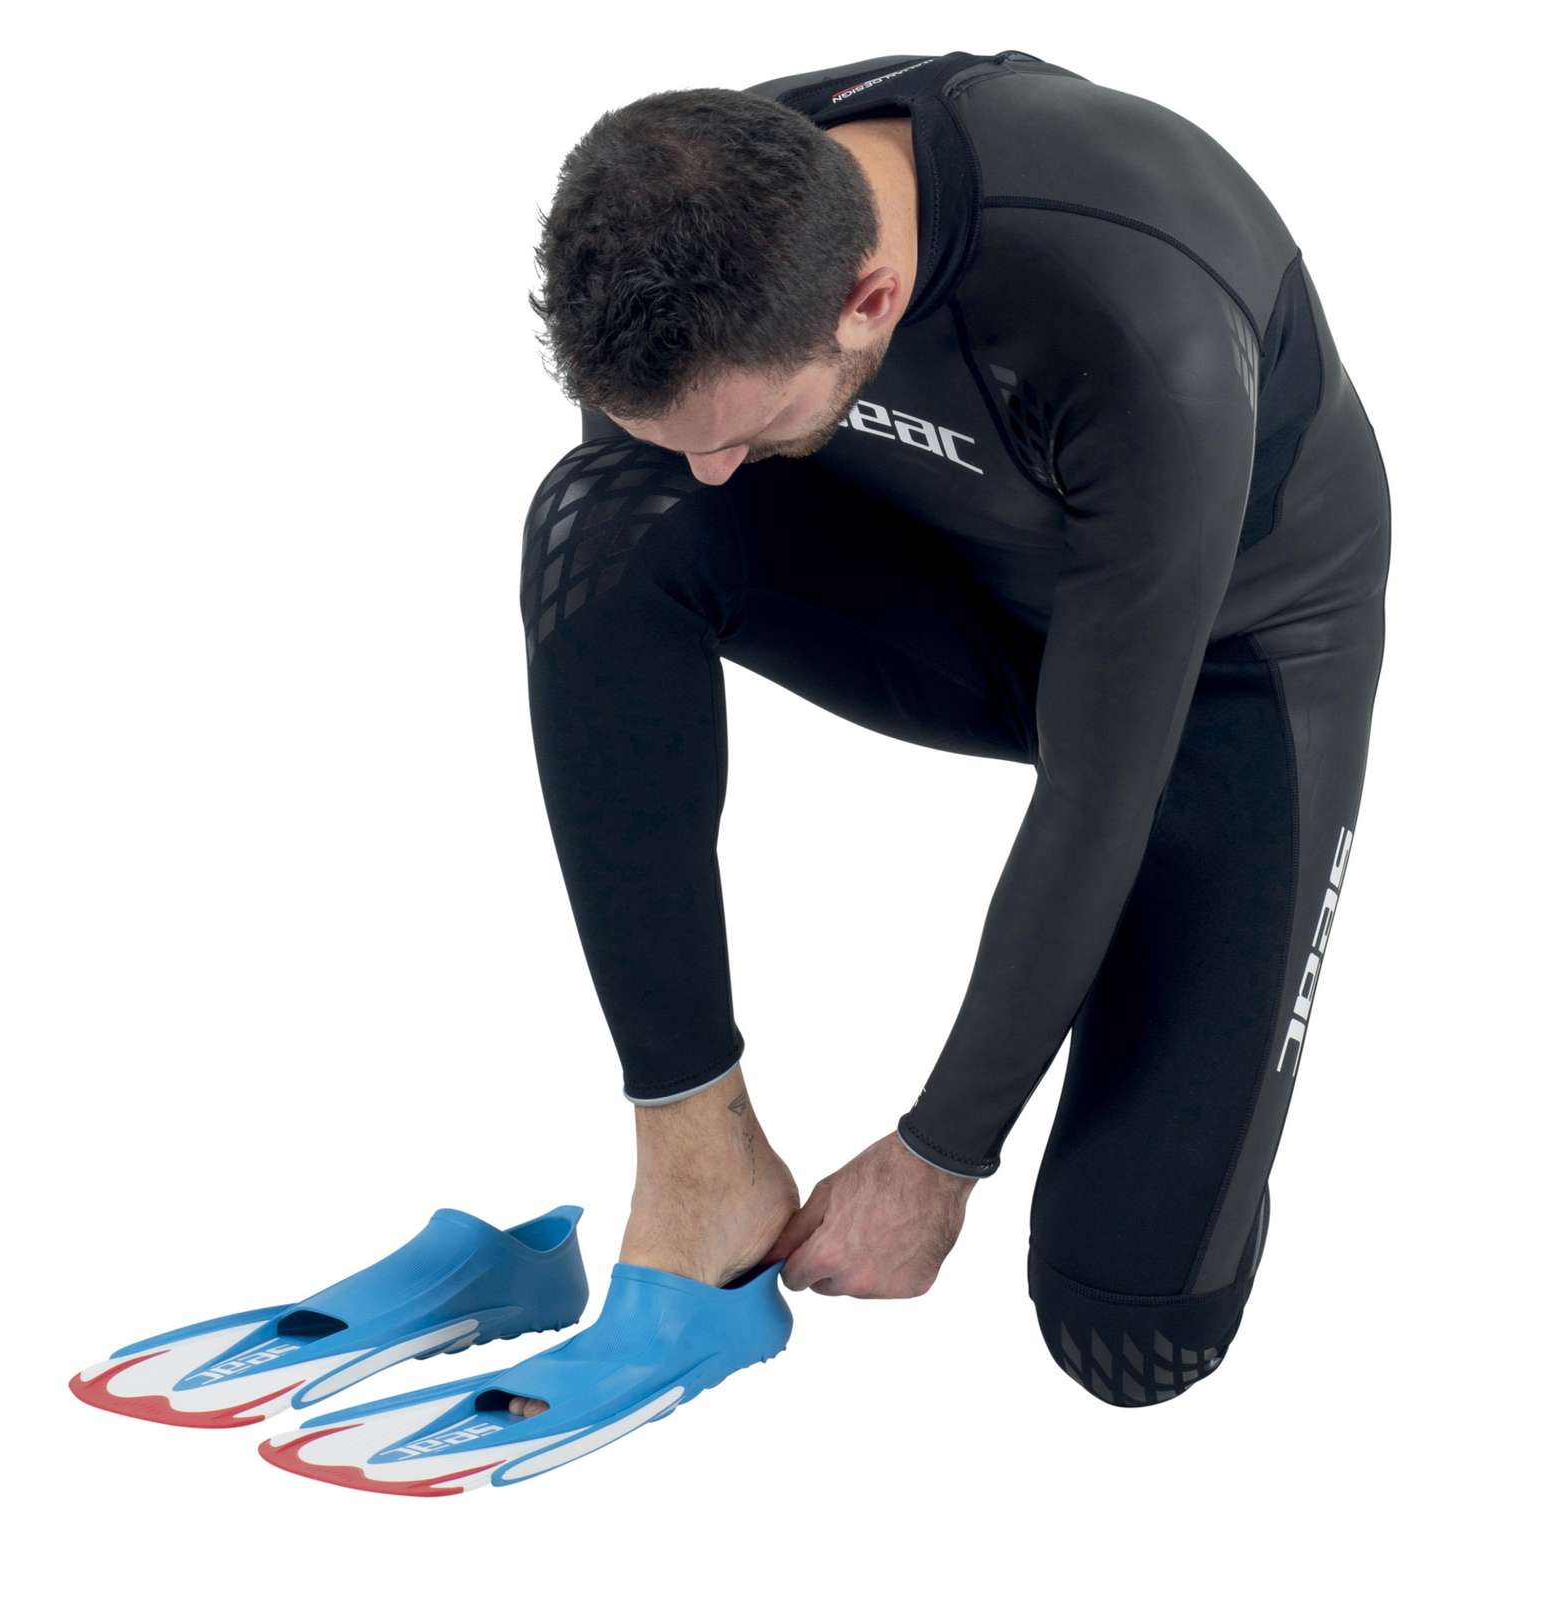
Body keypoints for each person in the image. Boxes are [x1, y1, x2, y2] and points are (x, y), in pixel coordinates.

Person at [514, 49, 1389, 1408]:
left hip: (1224, 661)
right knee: (600, 520)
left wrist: (940, 1155)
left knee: (1132, 1330)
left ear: (868, 301)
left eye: (745, 429)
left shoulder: (1135, 307)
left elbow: (1101, 786)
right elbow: (668, 478)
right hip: (965, 587)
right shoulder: (699, 217)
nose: (712, 473)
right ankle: (696, 1150)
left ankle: (1196, 1042)